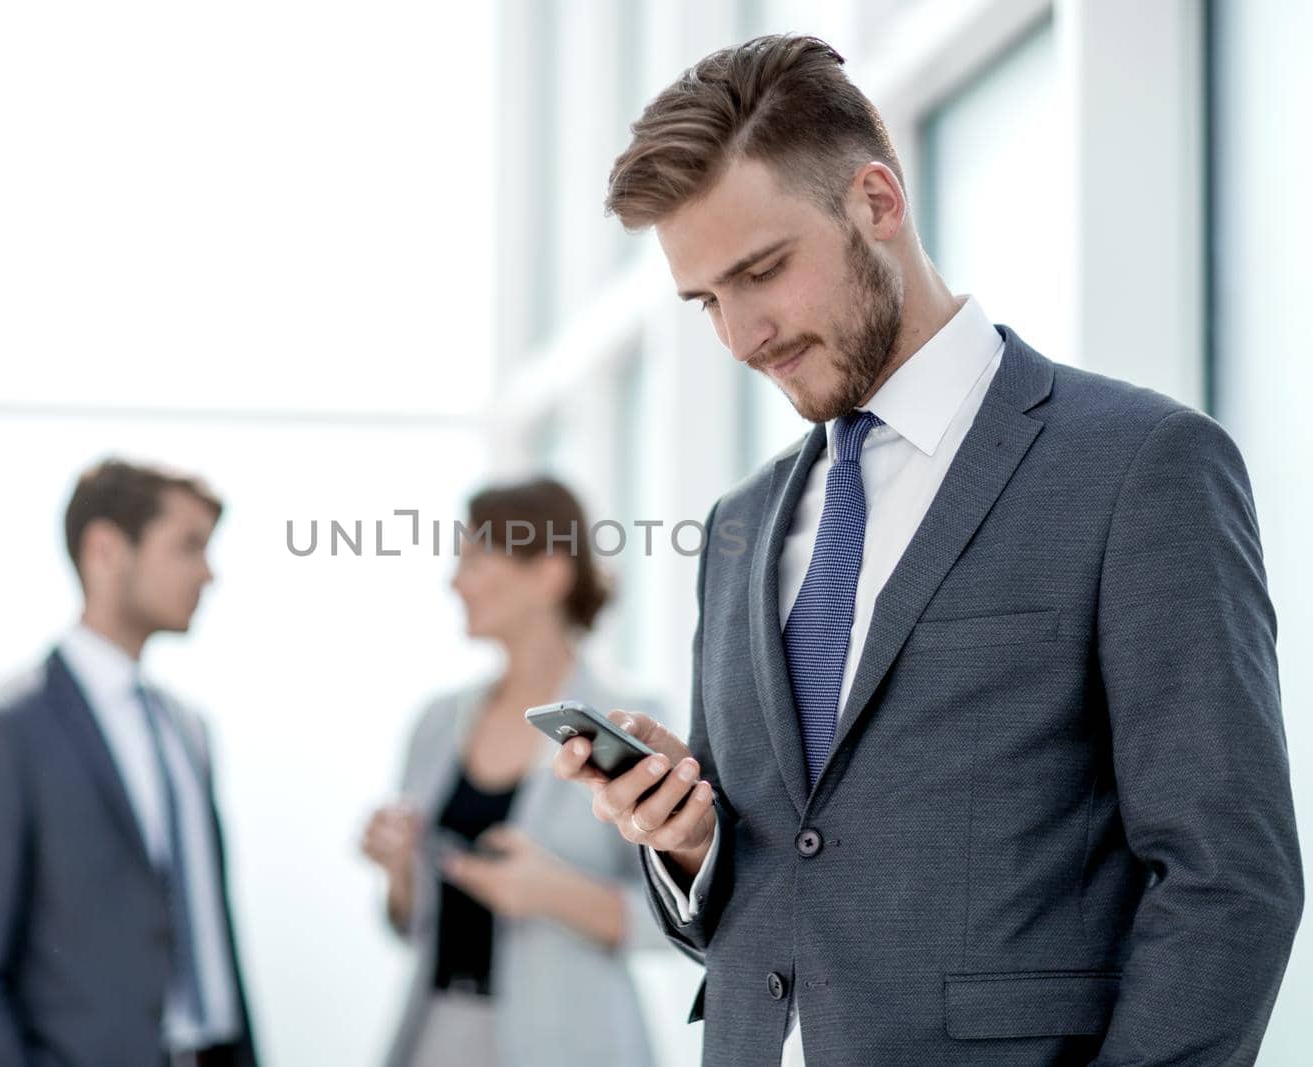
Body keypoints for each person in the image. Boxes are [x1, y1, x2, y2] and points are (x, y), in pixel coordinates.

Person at [551, 33, 1303, 1066]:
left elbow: (1233, 877)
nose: (739, 335)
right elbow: (786, 884)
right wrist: (689, 842)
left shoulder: (1138, 467)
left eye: (761, 270)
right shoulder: (738, 526)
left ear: (876, 201)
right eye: (705, 300)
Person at [0, 458, 259, 1067]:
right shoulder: (2, 731)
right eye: (188, 547)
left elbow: (213, 938)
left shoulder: (187, 729)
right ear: (106, 550)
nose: (209, 574)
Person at [362, 477, 664, 1067]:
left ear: (549, 574)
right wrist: (400, 871)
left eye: (474, 558)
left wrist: (552, 893)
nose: (454, 581)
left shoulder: (630, 725)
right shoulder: (438, 722)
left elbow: (685, 915)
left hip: (573, 1043)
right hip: (438, 1034)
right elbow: (412, 924)